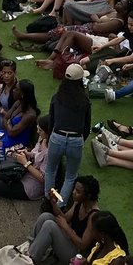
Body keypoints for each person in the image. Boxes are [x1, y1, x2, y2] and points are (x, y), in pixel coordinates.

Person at [22, 174, 102, 263]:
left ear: (88, 196)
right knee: (45, 216)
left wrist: (67, 228)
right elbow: (64, 218)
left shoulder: (93, 216)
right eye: (74, 189)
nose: (74, 192)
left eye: (78, 192)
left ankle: (30, 260)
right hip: (68, 239)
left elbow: (82, 245)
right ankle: (31, 249)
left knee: (49, 225)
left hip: (75, 255)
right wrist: (54, 203)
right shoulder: (79, 203)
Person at [43, 63, 92, 205]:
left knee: (51, 170)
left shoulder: (57, 97)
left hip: (57, 137)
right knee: (70, 177)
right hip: (75, 140)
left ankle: (49, 199)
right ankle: (60, 204)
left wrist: (52, 137)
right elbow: (86, 126)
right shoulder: (85, 100)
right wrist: (80, 141)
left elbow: (51, 121)